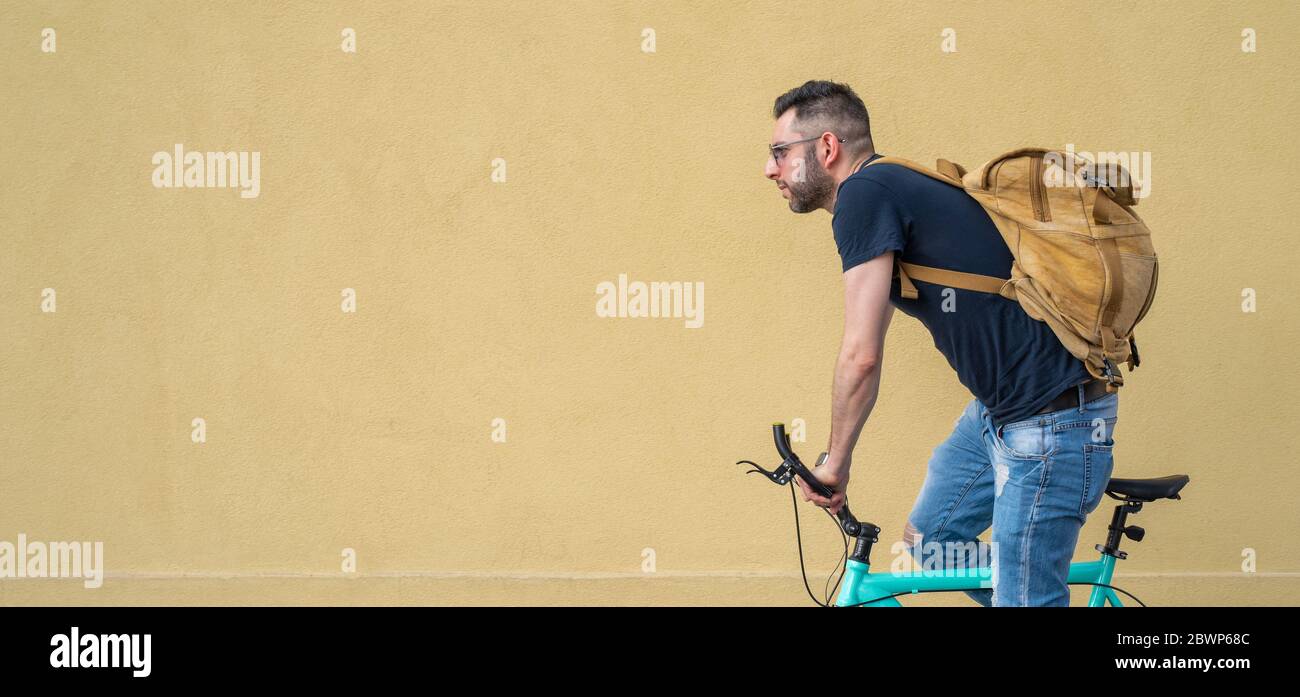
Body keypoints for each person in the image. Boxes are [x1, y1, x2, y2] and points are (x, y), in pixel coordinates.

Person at [764, 80, 1119, 607]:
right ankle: (1029, 577)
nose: (770, 170)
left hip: (1051, 423)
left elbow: (860, 355)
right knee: (934, 547)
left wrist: (835, 463)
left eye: (779, 152)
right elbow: (869, 340)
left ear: (827, 147)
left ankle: (1030, 586)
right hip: (999, 413)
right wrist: (838, 457)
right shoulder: (891, 188)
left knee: (1026, 599)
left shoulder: (865, 195)